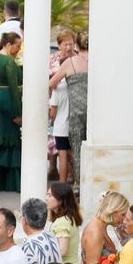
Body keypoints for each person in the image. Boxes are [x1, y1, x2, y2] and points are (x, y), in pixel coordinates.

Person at [48, 31, 90, 189]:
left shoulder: (71, 62)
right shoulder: (97, 61)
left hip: (76, 112)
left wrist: (54, 98)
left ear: (77, 45)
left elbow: (51, 83)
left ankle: (80, 184)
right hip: (94, 111)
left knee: (77, 149)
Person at [0, 31, 23, 194]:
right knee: (12, 137)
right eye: (17, 46)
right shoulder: (9, 62)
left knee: (3, 135)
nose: (19, 49)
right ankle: (12, 181)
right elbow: (14, 89)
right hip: (9, 99)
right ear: (9, 45)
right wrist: (18, 113)